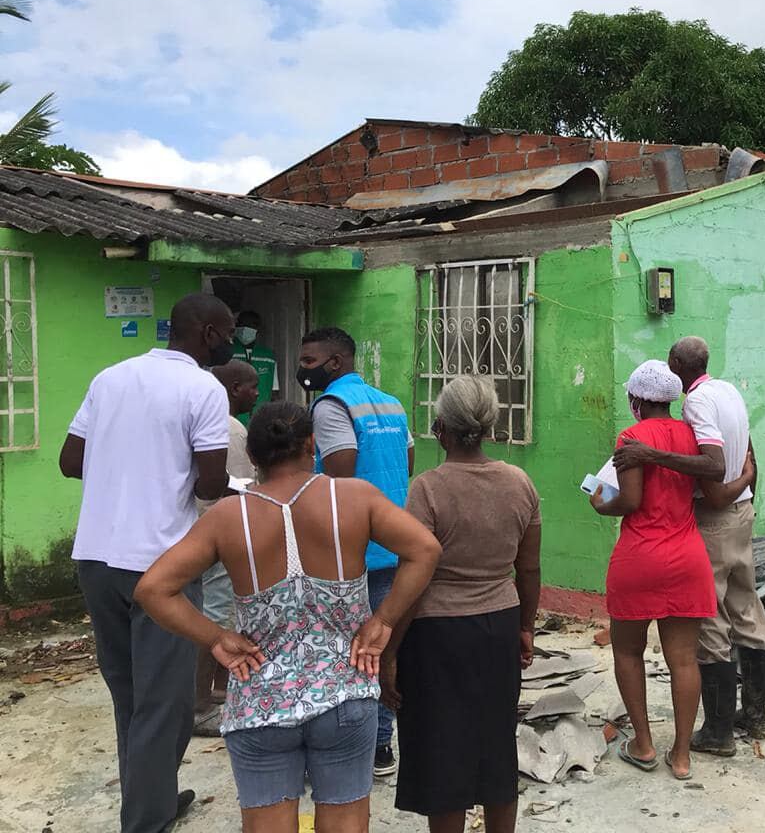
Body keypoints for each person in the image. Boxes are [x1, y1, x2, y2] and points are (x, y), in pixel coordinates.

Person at [135, 402, 440, 833]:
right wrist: (383, 620)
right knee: (347, 822)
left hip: (261, 700)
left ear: (253, 457)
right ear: (311, 445)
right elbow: (425, 549)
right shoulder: (354, 497)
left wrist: (216, 638)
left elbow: (153, 588)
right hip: (345, 691)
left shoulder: (228, 516)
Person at [59, 292, 236, 833]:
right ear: (208, 333)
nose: (232, 340)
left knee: (130, 695)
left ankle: (151, 799)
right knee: (166, 704)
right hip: (162, 568)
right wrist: (243, 492)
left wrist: (128, 464)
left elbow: (70, 462)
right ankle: (146, 822)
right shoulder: (203, 387)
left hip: (96, 557)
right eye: (228, 331)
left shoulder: (110, 377)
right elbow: (208, 483)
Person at [380, 376, 542, 833]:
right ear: (488, 427)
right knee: (495, 741)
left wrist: (390, 652)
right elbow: (528, 570)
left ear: (440, 429)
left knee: (440, 747)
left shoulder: (427, 489)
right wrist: (525, 627)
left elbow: (414, 579)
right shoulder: (519, 483)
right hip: (499, 623)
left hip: (437, 633)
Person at [613, 336, 765, 756]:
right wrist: (748, 482)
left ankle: (718, 733)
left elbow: (713, 470)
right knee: (747, 612)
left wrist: (650, 456)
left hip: (715, 522)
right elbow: (747, 450)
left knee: (712, 628)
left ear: (675, 364)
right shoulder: (729, 391)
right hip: (743, 513)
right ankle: (754, 718)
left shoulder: (694, 406)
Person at [592, 360, 740, 781]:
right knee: (683, 661)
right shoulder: (692, 435)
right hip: (686, 556)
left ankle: (643, 744)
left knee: (627, 651)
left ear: (637, 400)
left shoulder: (632, 436)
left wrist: (600, 500)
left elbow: (631, 500)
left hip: (640, 556)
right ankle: (682, 755)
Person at [298, 326, 413, 776]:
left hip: (350, 550)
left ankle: (349, 748)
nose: (303, 371)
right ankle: (382, 746)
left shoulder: (330, 407)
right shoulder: (389, 402)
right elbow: (405, 466)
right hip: (391, 540)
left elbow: (338, 481)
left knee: (345, 650)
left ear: (336, 363)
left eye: (309, 362)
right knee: (384, 647)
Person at [193, 360, 261, 738]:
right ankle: (199, 705)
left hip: (202, 531)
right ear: (234, 388)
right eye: (251, 387)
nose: (256, 393)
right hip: (222, 535)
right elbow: (241, 490)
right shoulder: (231, 429)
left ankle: (216, 691)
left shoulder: (204, 421)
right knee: (216, 620)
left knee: (214, 613)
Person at [232, 310, 279, 425]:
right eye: (242, 324)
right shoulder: (227, 353)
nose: (245, 328)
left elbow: (274, 392)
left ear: (258, 329)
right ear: (236, 327)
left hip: (261, 420)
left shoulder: (268, 357)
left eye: (251, 325)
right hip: (233, 420)